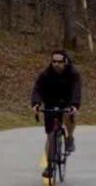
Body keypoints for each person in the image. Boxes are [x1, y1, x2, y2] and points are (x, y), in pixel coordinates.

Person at [31, 50, 82, 178]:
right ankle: (49, 166)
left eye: (59, 62)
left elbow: (76, 90)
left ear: (65, 61)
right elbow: (37, 89)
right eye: (54, 61)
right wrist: (36, 104)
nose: (56, 64)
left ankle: (69, 138)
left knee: (70, 116)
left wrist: (74, 105)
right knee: (50, 136)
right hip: (50, 103)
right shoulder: (46, 74)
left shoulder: (73, 74)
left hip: (67, 102)